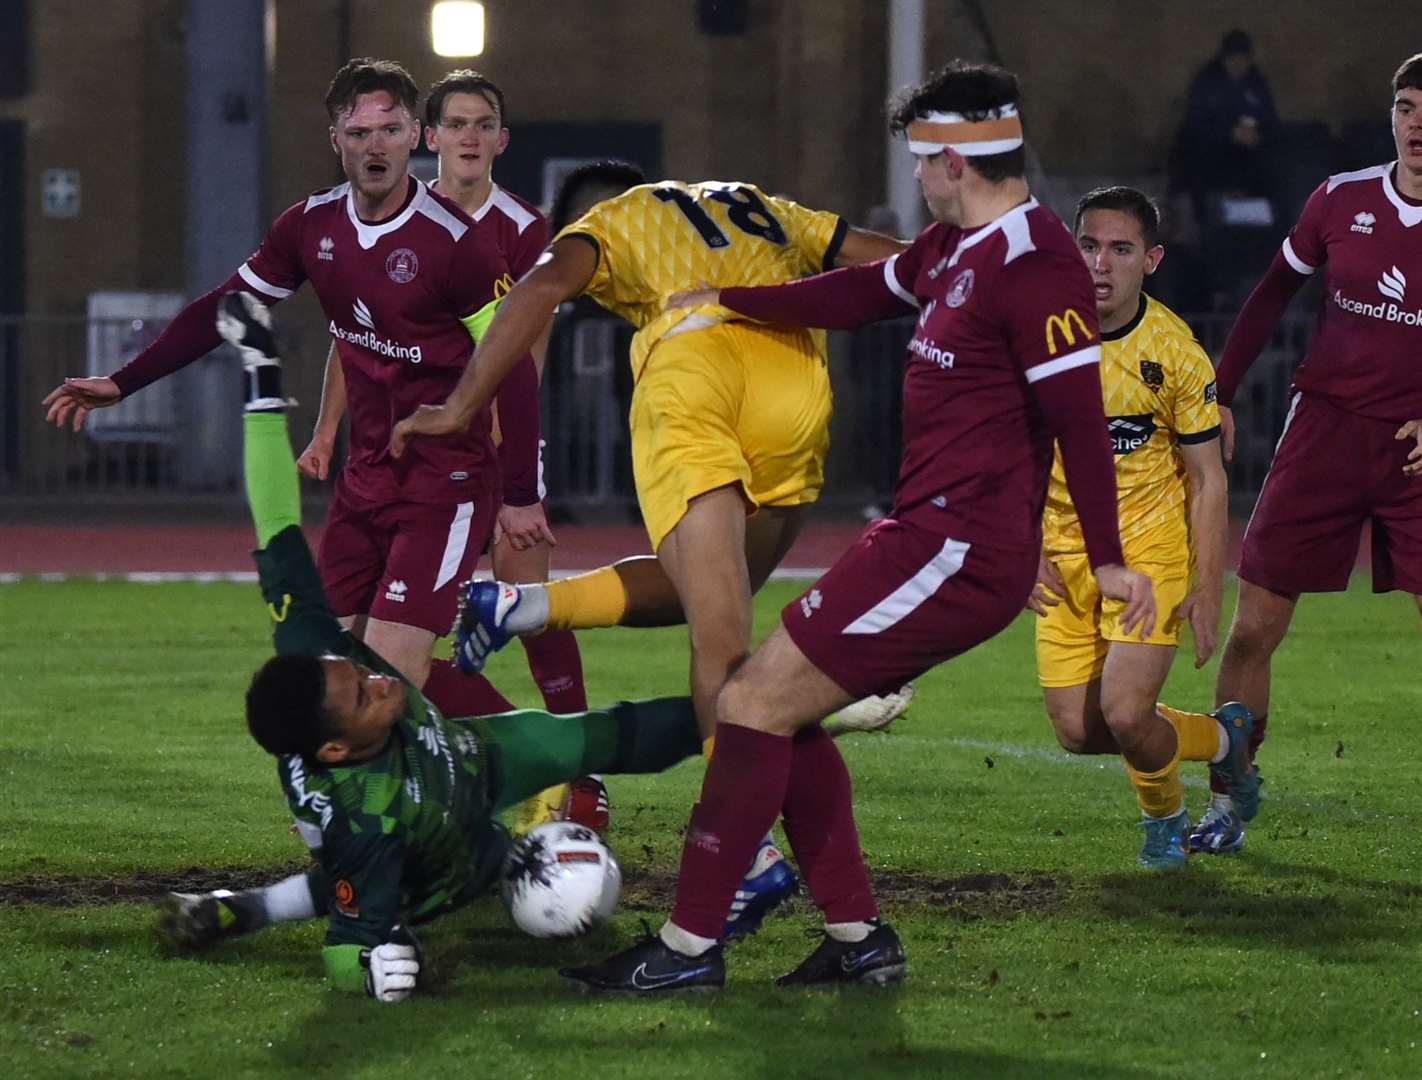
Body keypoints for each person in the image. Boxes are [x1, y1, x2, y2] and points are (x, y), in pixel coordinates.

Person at [552, 59, 1156, 992]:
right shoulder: (958, 249)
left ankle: (687, 949)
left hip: (955, 551)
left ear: (957, 161)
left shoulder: (1035, 267)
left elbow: (1078, 416)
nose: (914, 179)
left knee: (751, 703)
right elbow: (856, 294)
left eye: (922, 161)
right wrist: (730, 300)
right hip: (923, 539)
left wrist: (1107, 561)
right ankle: (856, 939)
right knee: (780, 709)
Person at [388, 161, 908, 936]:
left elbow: (534, 293)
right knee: (717, 590)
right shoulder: (754, 199)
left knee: (719, 644)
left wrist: (460, 406)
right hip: (796, 386)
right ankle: (527, 605)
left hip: (694, 378)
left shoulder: (608, 224)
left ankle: (749, 858)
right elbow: (894, 260)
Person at [155, 292, 706, 1003]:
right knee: (406, 884)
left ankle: (775, 711)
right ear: (332, 752)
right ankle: (257, 908)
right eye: (361, 695)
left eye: (354, 672)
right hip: (447, 857)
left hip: (466, 756)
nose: (378, 678)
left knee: (601, 736)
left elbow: (274, 519)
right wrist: (374, 968)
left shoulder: (316, 651)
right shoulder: (363, 820)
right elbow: (347, 944)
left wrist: (261, 373)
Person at [41, 60, 515, 732]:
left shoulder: (458, 244)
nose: (374, 145)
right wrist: (124, 381)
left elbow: (510, 360)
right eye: (359, 132)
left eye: (389, 129)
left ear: (415, 135)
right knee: (331, 668)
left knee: (382, 681)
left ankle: (533, 779)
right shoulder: (310, 227)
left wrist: (520, 487)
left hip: (447, 484)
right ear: (335, 140)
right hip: (366, 482)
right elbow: (225, 306)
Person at [296, 68, 600, 831]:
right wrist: (329, 428)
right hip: (396, 466)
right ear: (428, 138)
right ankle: (498, 776)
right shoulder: (395, 213)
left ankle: (579, 769)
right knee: (390, 649)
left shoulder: (526, 230)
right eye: (454, 123)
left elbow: (521, 359)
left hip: (484, 455)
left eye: (482, 123)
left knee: (530, 605)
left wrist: (510, 479)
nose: (468, 137)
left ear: (501, 138)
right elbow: (354, 332)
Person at [1177, 54, 1422, 854]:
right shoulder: (1341, 198)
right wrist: (1216, 391)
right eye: (1406, 106)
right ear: (1391, 117)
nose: (1417, 122)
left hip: (1414, 451)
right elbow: (1271, 294)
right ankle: (1226, 799)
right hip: (1322, 433)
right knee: (1254, 629)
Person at [1028, 186, 1258, 870]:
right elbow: (1009, 452)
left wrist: (1208, 587)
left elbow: (1210, 477)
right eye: (1089, 246)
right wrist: (1023, 543)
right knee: (1078, 731)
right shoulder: (1035, 339)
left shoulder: (1175, 353)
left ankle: (1164, 823)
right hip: (1066, 556)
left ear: (1151, 259)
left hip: (1148, 553)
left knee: (1128, 714)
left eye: (1120, 250)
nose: (1101, 264)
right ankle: (1221, 742)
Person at [1173, 29, 1279, 223]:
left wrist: (1258, 135)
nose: (1238, 66)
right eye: (1233, 60)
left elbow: (1270, 120)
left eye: (1243, 60)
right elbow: (1196, 123)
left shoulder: (1256, 82)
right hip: (1213, 149)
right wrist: (1229, 133)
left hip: (1249, 152)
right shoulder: (1207, 81)